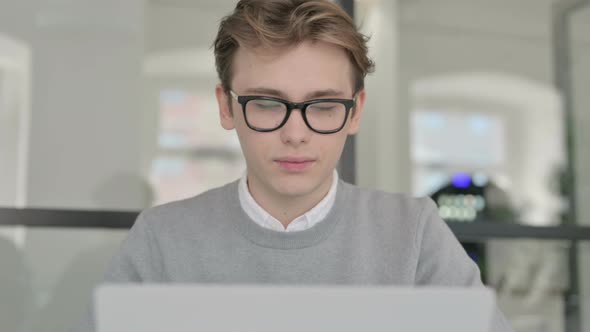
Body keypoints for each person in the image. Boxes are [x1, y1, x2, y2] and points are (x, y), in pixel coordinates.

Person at [71, 0, 513, 331]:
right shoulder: (161, 239)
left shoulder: (415, 232)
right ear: (226, 107)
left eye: (322, 106)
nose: (296, 133)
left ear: (355, 111)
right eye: (267, 103)